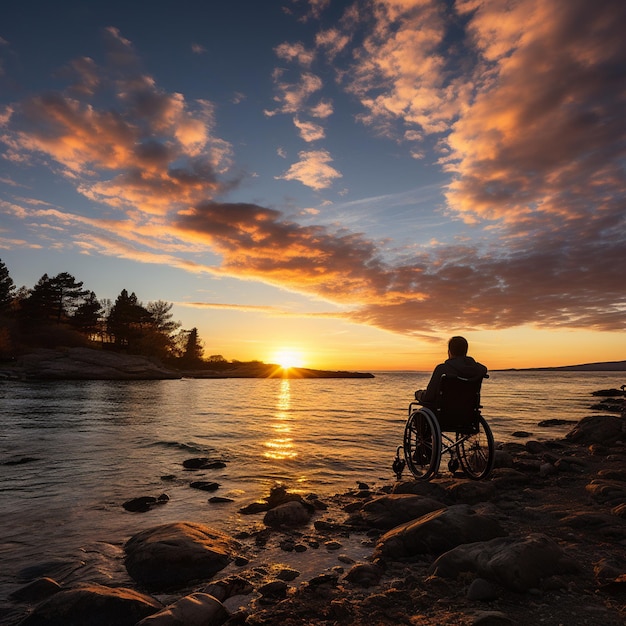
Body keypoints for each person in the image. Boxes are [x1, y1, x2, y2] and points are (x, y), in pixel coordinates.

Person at [415, 336, 487, 409]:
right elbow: (484, 369)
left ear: (449, 352)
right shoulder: (477, 370)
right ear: (465, 351)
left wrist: (419, 394)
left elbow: (429, 397)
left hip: (443, 414)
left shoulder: (442, 369)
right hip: (468, 414)